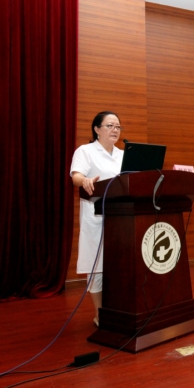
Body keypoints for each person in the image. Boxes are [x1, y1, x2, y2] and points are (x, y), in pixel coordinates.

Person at [70, 111, 124, 326]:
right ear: (97, 129)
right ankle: (100, 314)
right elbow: (76, 176)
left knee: (121, 266)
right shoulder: (86, 151)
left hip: (122, 219)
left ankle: (120, 310)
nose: (115, 130)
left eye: (118, 126)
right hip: (96, 218)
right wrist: (85, 180)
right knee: (97, 269)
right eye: (110, 125)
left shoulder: (123, 154)